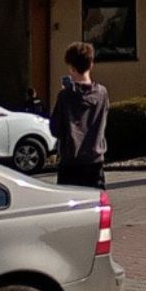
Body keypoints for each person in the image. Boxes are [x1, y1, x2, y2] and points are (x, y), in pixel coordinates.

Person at [50, 42, 109, 189]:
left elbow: (55, 129)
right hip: (95, 161)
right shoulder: (102, 93)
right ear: (91, 64)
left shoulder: (64, 96)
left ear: (72, 68)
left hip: (70, 163)